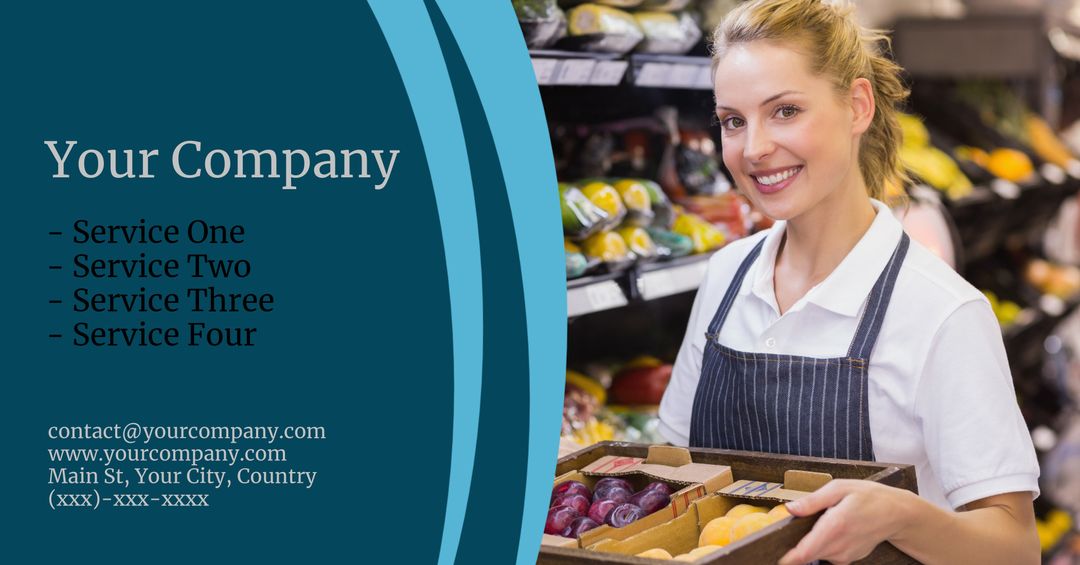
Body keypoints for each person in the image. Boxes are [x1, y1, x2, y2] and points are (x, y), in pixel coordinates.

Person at [657, 1, 1041, 563]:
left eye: (785, 111)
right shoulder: (726, 276)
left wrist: (901, 515)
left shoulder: (941, 311)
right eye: (733, 120)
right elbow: (673, 463)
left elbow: (1016, 548)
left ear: (857, 106)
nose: (754, 148)